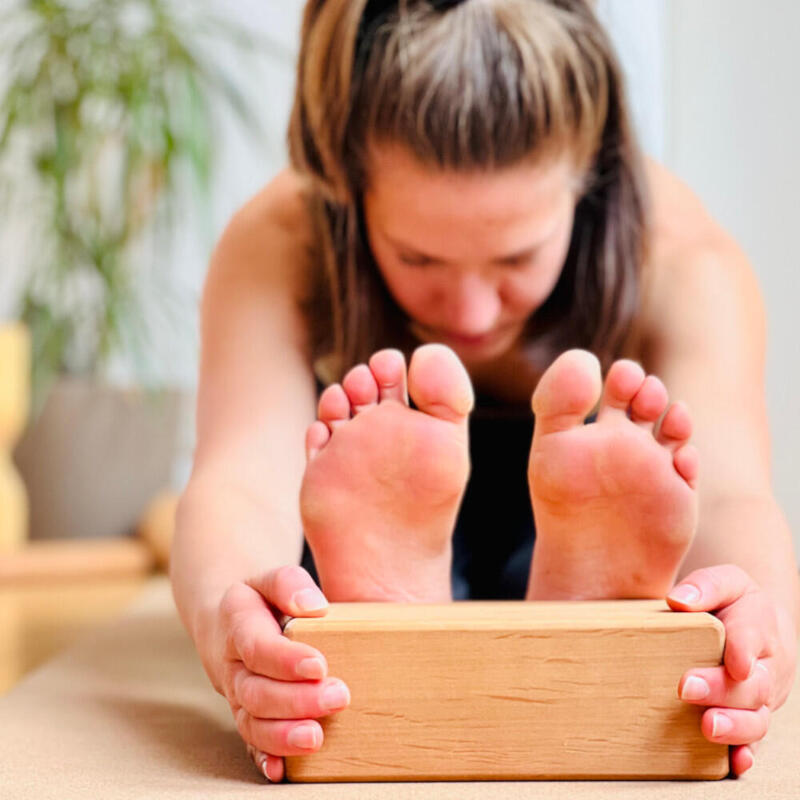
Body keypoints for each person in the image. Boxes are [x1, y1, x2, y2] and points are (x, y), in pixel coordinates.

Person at [169, 0, 799, 784]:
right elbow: (239, 482)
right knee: (312, 582)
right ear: (346, 185)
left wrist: (760, 629)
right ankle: (403, 608)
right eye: (419, 259)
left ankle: (579, 603)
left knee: (658, 546)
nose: (467, 316)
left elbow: (734, 494)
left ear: (588, 182)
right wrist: (236, 630)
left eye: (515, 259)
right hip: (369, 500)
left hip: (576, 499)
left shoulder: (681, 258)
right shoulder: (281, 240)